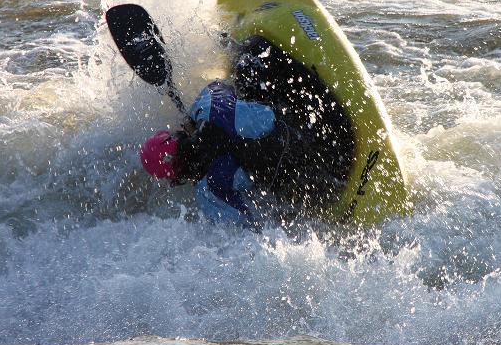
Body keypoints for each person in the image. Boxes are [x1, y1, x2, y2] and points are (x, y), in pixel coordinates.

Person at [140, 36, 355, 229]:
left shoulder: (208, 192)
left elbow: (246, 228)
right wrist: (195, 118)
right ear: (176, 137)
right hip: (333, 131)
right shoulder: (209, 108)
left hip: (325, 184)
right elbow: (220, 86)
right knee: (250, 55)